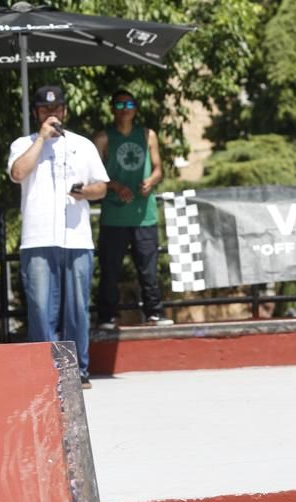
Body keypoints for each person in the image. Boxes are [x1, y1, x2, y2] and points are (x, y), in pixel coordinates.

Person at [8, 84, 109, 389]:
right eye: (44, 110)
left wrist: (85, 192)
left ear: (65, 110)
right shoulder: (23, 144)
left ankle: (77, 370)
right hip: (37, 238)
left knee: (77, 306)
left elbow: (102, 186)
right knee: (40, 306)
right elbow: (17, 174)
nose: (51, 114)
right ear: (37, 113)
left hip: (76, 238)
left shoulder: (83, 144)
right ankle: (45, 371)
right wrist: (41, 138)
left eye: (56, 110)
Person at [93, 89, 172, 328]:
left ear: (136, 108)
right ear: (112, 109)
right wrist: (115, 185)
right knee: (110, 269)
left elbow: (158, 169)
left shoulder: (148, 135)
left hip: (144, 214)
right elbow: (92, 174)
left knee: (148, 269)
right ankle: (107, 316)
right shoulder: (103, 137)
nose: (125, 109)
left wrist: (151, 180)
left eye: (129, 104)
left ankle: (154, 313)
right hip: (114, 215)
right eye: (119, 105)